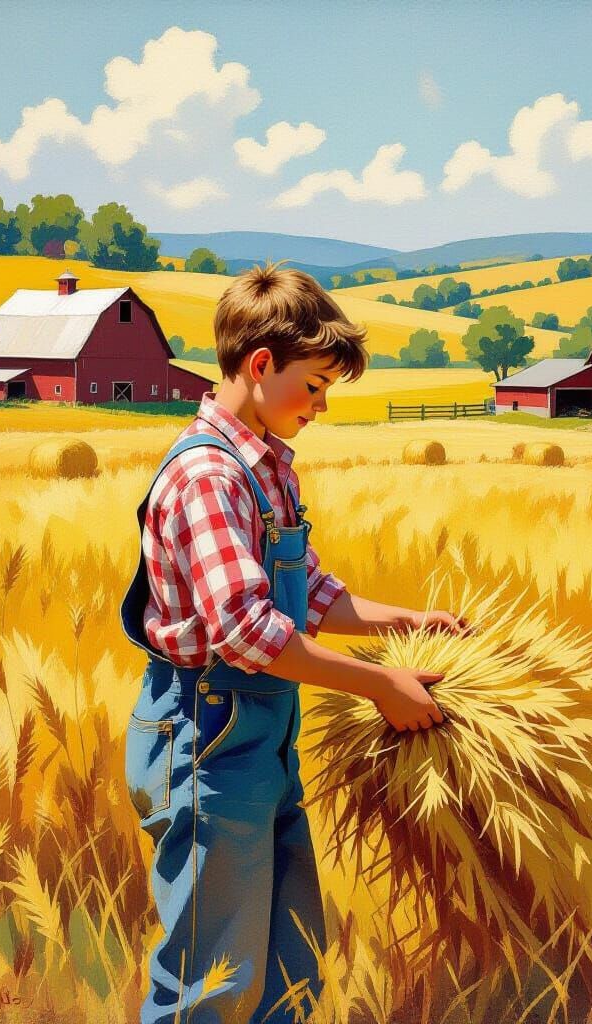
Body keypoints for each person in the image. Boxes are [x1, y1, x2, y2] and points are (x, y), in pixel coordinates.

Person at [120, 260, 472, 1024]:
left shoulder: (266, 467)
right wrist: (380, 684)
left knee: (289, 971)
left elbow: (306, 592)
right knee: (211, 984)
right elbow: (248, 632)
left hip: (260, 744)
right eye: (313, 385)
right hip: (205, 745)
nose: (321, 405)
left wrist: (409, 624)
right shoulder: (209, 477)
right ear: (259, 365)